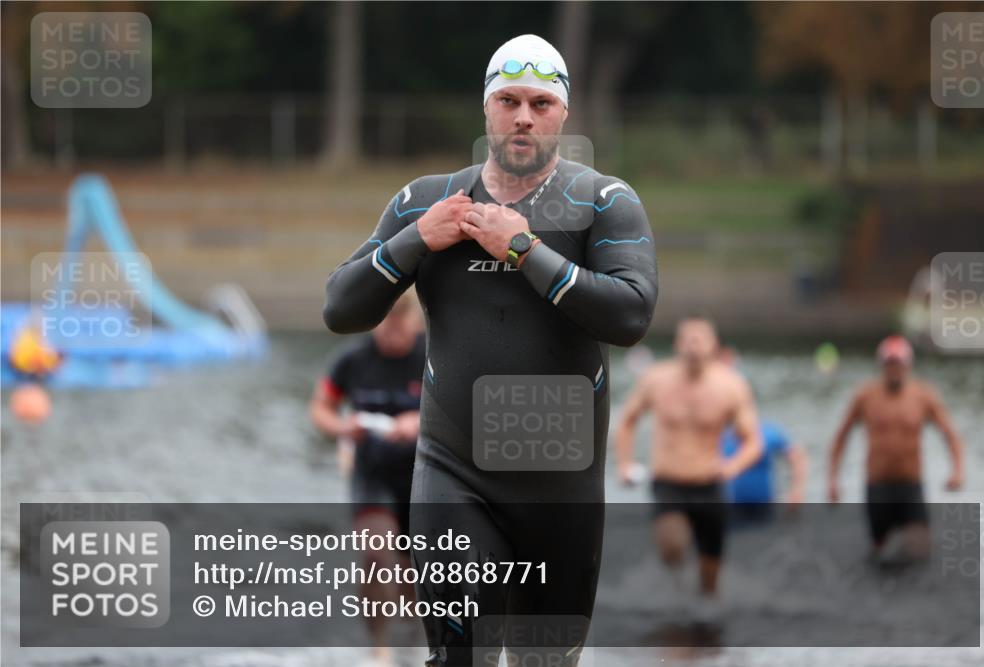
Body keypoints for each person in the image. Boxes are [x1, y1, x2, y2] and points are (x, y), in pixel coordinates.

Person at [323, 34, 658, 666]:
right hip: (455, 472)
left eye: (540, 102)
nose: (523, 116)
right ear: (486, 108)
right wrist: (416, 241)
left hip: (562, 492)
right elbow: (341, 308)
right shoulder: (426, 202)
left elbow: (632, 314)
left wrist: (526, 250)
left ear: (563, 112)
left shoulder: (604, 203)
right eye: (508, 100)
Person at [615, 317, 762, 612]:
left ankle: (704, 618)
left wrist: (731, 467)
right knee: (673, 546)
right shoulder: (656, 379)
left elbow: (753, 441)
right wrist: (625, 464)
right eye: (688, 339)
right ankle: (676, 601)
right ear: (677, 345)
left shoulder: (731, 386)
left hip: (710, 484)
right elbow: (627, 422)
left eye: (701, 339)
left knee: (710, 583)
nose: (694, 346)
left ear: (714, 346)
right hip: (669, 481)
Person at [310, 293, 424, 666]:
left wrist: (419, 423)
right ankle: (379, 650)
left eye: (398, 328)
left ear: (415, 322)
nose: (391, 337)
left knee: (416, 570)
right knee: (377, 556)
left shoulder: (434, 355)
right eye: (384, 327)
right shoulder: (354, 359)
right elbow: (321, 408)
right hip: (371, 473)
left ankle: (416, 640)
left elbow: (466, 409)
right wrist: (343, 426)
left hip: (424, 475)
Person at [828, 335, 964, 559]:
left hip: (910, 486)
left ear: (907, 365)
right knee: (879, 553)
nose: (894, 369)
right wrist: (833, 479)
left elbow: (951, 436)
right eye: (889, 364)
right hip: (878, 485)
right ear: (881, 366)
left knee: (920, 551)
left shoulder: (923, 396)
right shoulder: (865, 396)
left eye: (898, 364)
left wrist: (958, 471)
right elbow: (841, 437)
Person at [716, 347, 808, 524]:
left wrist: (796, 491)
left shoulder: (766, 430)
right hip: (727, 512)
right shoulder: (712, 434)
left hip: (764, 512)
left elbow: (797, 456)